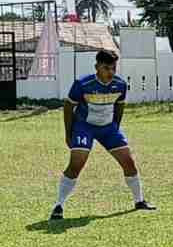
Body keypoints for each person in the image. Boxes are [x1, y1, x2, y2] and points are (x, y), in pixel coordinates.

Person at [50, 49, 156, 220]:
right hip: (84, 127)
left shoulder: (120, 84)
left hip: (108, 128)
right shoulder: (83, 84)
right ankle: (58, 206)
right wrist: (68, 133)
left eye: (114, 68)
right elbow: (69, 107)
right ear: (97, 67)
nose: (111, 72)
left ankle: (139, 201)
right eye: (107, 68)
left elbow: (119, 106)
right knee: (76, 165)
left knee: (129, 163)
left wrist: (115, 128)